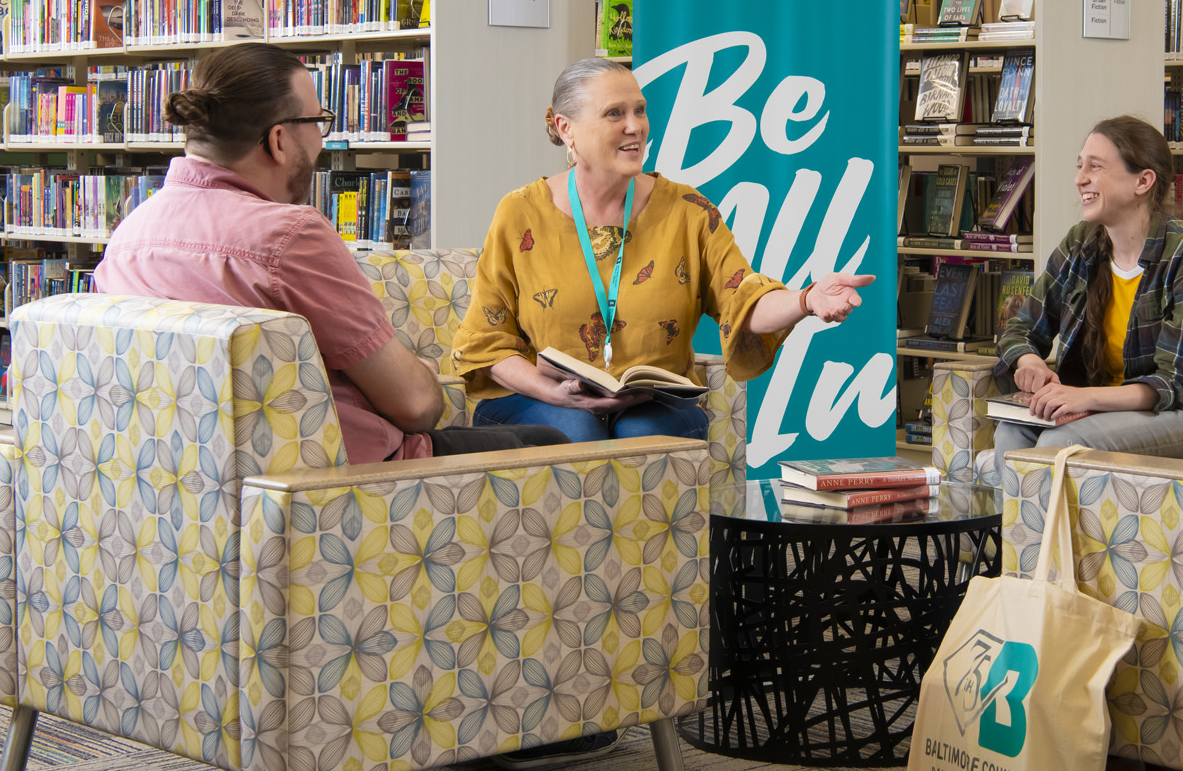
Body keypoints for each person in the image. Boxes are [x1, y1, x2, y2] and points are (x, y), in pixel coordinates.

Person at [91, 42, 566, 466]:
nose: (321, 139)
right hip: (332, 478)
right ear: (278, 140)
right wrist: (420, 371)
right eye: (318, 122)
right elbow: (417, 405)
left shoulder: (130, 233)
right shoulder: (288, 236)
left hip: (187, 470)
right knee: (552, 445)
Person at [455, 56, 872, 446]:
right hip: (541, 399)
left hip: (652, 405)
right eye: (614, 113)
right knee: (577, 429)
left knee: (643, 434)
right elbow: (485, 341)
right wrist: (558, 394)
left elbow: (743, 299)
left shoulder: (688, 211)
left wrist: (806, 299)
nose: (635, 126)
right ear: (567, 129)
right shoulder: (519, 213)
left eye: (640, 110)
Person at [990, 114, 1183, 486]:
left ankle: (1061, 547)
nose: (1080, 179)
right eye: (1080, 166)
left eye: (1095, 167)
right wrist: (1029, 360)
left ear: (1143, 181)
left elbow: (1175, 384)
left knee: (1061, 440)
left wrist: (1083, 398)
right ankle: (1018, 546)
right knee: (1011, 435)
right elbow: (1021, 326)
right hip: (1099, 406)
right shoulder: (1081, 242)